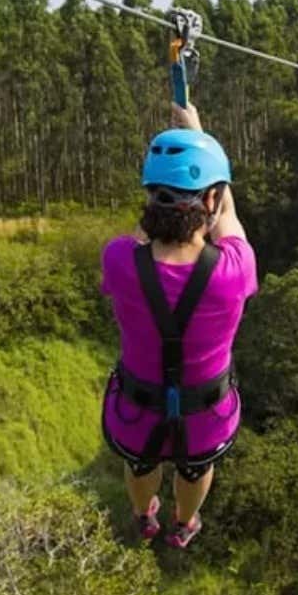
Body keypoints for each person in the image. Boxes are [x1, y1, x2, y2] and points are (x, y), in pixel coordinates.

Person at [99, 102, 254, 548]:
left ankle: (143, 515)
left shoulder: (119, 260)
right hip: (206, 416)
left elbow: (141, 239)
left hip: (135, 410)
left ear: (150, 197)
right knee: (195, 467)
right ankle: (185, 523)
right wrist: (200, 136)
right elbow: (228, 219)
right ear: (211, 199)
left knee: (140, 463)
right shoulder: (234, 269)